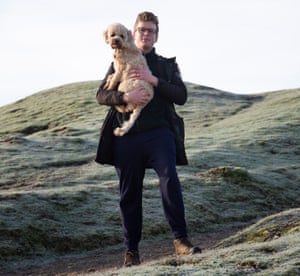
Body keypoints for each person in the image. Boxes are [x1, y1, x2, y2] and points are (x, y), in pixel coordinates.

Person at [96, 11, 201, 267]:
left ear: (156, 35)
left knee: (169, 179)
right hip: (127, 136)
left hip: (159, 133)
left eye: (150, 30)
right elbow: (101, 95)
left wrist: (152, 80)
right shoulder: (119, 60)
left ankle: (181, 241)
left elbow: (181, 95)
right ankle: (131, 251)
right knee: (129, 194)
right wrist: (124, 98)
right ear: (133, 33)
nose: (145, 34)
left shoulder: (167, 64)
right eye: (141, 30)